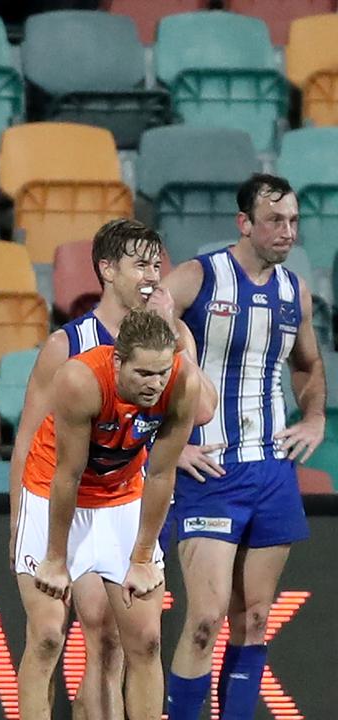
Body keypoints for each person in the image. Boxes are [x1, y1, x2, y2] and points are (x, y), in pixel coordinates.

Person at [10, 218, 212, 718]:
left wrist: (175, 334)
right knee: (53, 633)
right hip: (59, 495)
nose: (153, 274)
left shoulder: (170, 339)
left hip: (122, 495)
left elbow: (201, 408)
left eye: (157, 263)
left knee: (134, 639)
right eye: (140, 264)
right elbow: (31, 441)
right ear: (107, 269)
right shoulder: (68, 347)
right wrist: (19, 521)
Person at [163, 174, 327, 720]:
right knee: (205, 619)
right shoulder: (196, 277)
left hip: (272, 471)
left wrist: (315, 417)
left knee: (255, 618)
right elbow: (136, 353)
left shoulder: (293, 291)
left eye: (294, 221)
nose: (287, 231)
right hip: (208, 472)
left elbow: (306, 361)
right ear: (244, 223)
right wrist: (170, 446)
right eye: (276, 220)